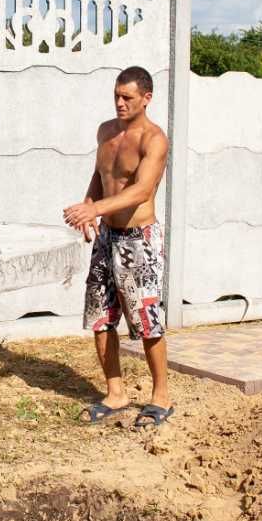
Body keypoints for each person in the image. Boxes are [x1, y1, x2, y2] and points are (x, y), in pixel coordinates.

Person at [63, 66, 173, 429]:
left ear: (146, 98)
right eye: (116, 96)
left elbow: (141, 190)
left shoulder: (154, 139)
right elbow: (102, 174)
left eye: (127, 97)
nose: (120, 103)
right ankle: (116, 393)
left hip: (137, 239)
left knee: (146, 320)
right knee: (100, 316)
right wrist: (89, 206)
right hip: (106, 235)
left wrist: (95, 207)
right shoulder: (106, 132)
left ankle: (161, 397)